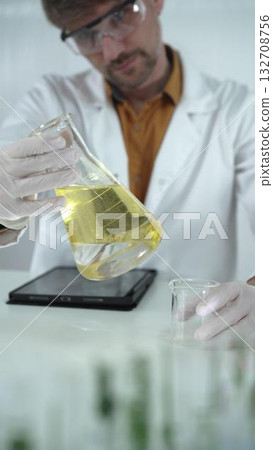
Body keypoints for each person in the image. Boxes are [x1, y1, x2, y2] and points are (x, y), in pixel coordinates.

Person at [0, 0, 254, 342]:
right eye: (86, 34)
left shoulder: (240, 111)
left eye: (121, 15)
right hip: (63, 335)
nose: (110, 48)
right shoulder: (51, 99)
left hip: (191, 330)